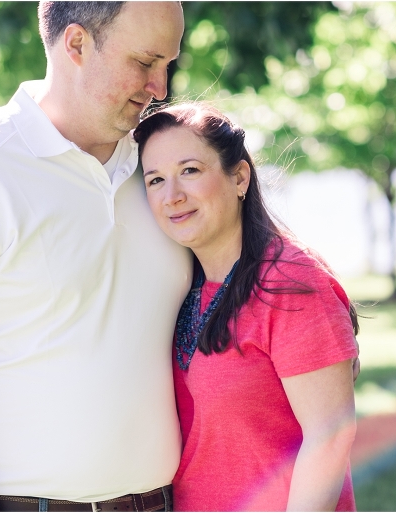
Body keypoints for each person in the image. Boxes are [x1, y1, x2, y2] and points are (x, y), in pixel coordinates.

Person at [0, 2, 191, 511]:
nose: (160, 87)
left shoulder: (164, 168)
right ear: (77, 44)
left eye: (168, 64)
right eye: (144, 62)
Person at [133, 103, 360, 512]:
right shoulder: (181, 284)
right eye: (155, 180)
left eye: (190, 170)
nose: (172, 196)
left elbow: (329, 437)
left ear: (239, 177)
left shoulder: (290, 283)